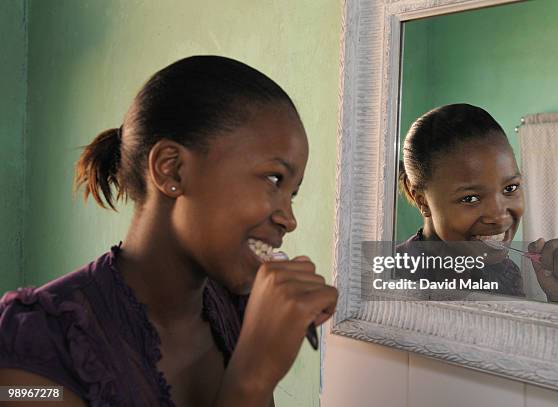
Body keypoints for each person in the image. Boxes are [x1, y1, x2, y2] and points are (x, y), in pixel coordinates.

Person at [0, 56, 338, 406]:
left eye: (292, 193)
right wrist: (251, 378)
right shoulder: (32, 345)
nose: (289, 219)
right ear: (172, 170)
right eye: (274, 178)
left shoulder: (240, 313)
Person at [396, 103, 558, 304]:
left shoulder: (506, 272)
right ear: (421, 199)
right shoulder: (390, 276)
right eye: (470, 198)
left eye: (510, 188)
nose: (500, 216)